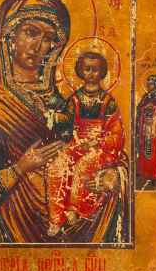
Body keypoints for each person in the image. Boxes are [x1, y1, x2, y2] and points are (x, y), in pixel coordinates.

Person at [0, 0, 129, 243]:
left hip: (79, 233)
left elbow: (110, 150)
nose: (39, 46)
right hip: (9, 240)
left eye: (48, 38)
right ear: (9, 36)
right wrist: (19, 169)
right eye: (30, 32)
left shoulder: (67, 105)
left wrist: (114, 177)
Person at [46, 52, 125, 236]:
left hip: (100, 147)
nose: (91, 73)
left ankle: (75, 209)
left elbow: (116, 133)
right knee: (57, 165)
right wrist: (54, 117)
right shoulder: (75, 98)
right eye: (87, 69)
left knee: (83, 165)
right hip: (77, 141)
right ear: (80, 71)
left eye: (95, 69)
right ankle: (56, 218)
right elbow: (67, 119)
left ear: (102, 72)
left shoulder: (108, 101)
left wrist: (97, 142)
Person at [136, 74, 156, 180]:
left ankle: (155, 173)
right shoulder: (145, 97)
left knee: (154, 151)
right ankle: (143, 171)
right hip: (145, 128)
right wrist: (144, 108)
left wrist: (153, 109)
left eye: (151, 84)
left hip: (155, 130)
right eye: (148, 84)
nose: (149, 86)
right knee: (144, 149)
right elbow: (140, 109)